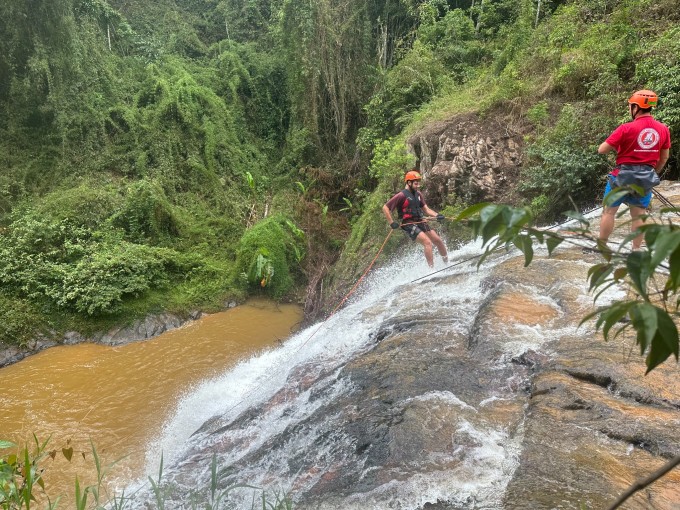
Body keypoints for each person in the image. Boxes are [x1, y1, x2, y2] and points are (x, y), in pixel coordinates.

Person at [597, 89, 671, 251]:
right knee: (639, 216)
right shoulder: (663, 129)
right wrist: (652, 174)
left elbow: (602, 150)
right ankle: (636, 250)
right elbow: (664, 158)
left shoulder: (625, 128)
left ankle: (602, 246)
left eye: (631, 105)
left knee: (609, 212)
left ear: (636, 107)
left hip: (620, 177)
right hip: (645, 179)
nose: (629, 108)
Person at [383, 170, 448, 267]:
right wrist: (391, 222)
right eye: (416, 183)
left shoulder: (418, 194)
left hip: (420, 220)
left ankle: (447, 263)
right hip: (408, 223)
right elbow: (385, 207)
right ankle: (432, 270)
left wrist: (437, 215)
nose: (418, 185)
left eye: (418, 183)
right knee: (427, 242)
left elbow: (426, 209)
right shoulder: (401, 195)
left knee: (438, 240)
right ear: (409, 183)